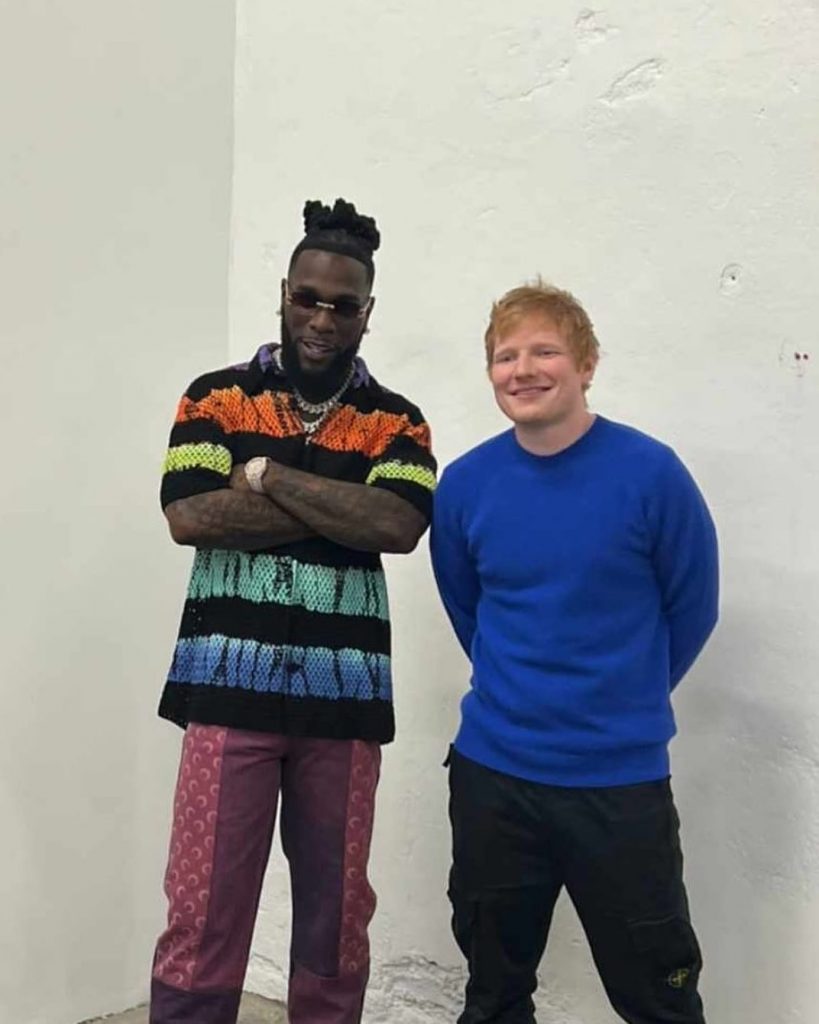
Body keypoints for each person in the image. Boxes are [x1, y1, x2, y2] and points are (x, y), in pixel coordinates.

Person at [150, 198, 437, 1024]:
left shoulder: (399, 421)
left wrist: (267, 478)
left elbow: (397, 526)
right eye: (308, 298)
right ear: (284, 292)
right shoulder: (214, 399)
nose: (321, 319)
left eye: (342, 305)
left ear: (367, 313)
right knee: (201, 915)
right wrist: (340, 506)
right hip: (223, 691)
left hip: (343, 704)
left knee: (335, 923)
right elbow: (188, 515)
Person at [430, 280, 718, 1024]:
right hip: (494, 779)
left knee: (657, 997)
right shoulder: (464, 486)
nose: (522, 370)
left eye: (545, 351)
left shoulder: (651, 475)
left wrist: (622, 696)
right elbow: (468, 609)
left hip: (618, 785)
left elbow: (692, 607)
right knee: (493, 993)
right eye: (505, 356)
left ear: (586, 365)